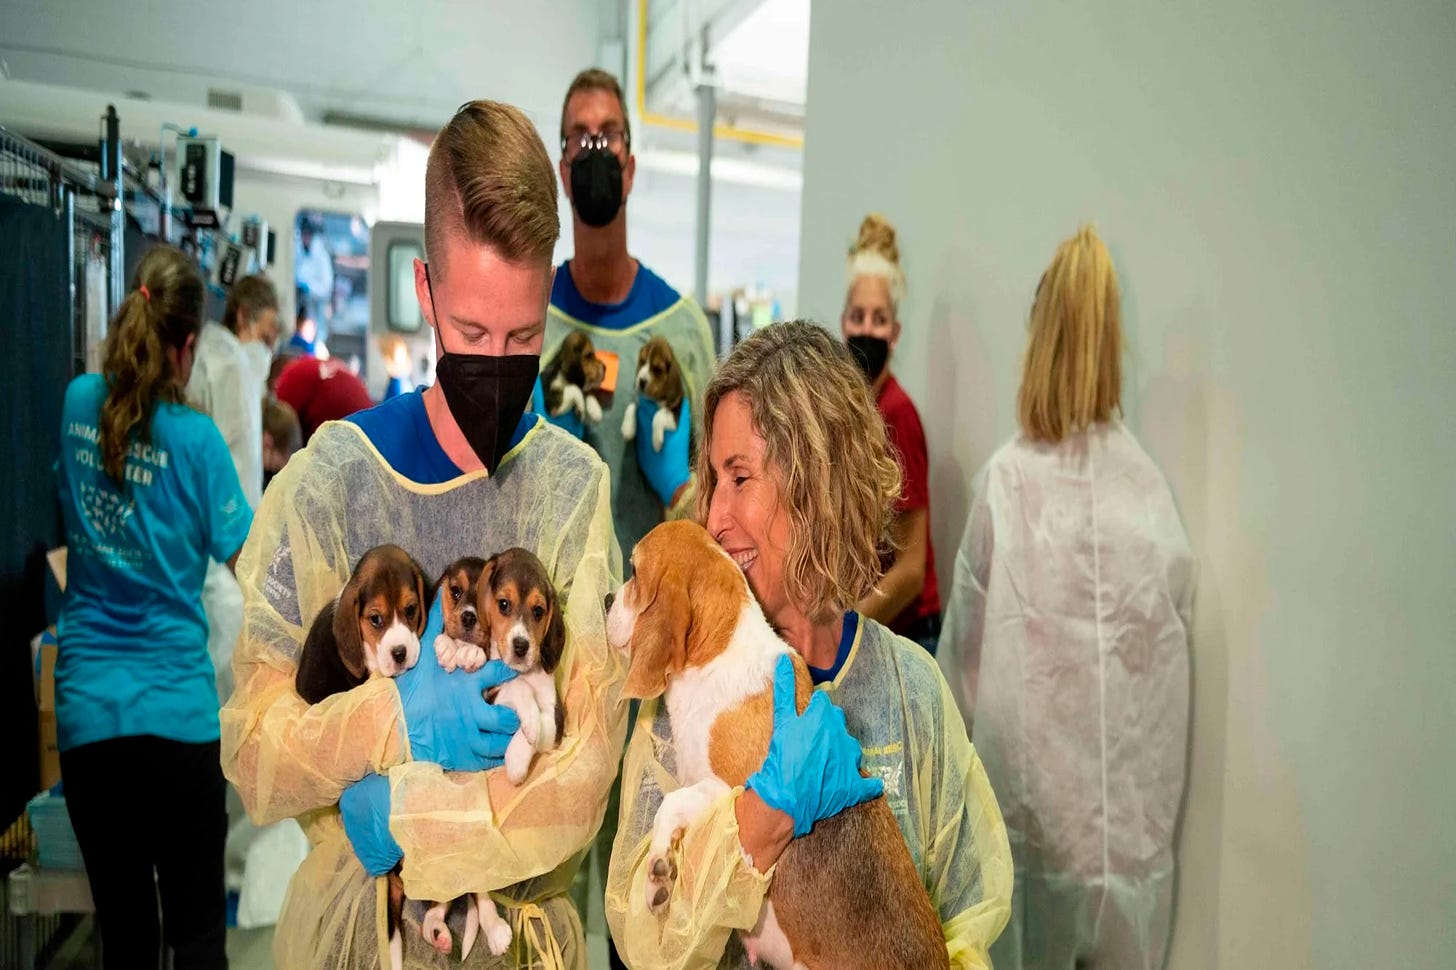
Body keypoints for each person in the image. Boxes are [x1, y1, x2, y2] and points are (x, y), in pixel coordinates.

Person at [220, 99, 625, 968]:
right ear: (424, 291)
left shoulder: (569, 494)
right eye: (472, 332)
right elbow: (254, 744)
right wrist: (386, 720)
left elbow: (586, 775)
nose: (497, 361)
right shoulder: (334, 483)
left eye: (524, 335)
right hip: (352, 935)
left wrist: (405, 816)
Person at [606, 322, 1014, 969]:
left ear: (816, 485)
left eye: (740, 478)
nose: (713, 517)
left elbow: (967, 925)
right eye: (713, 479)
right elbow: (644, 941)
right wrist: (753, 827)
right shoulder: (682, 700)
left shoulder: (912, 691)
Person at [938, 226, 1194, 970]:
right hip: (1127, 868)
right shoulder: (1150, 498)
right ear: (1114, 341)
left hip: (1027, 851)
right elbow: (1162, 693)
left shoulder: (1008, 486)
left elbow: (961, 675)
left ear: (1039, 335)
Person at [55, 244, 252, 968]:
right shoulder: (198, 443)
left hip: (89, 718)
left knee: (128, 943)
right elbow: (253, 562)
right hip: (175, 720)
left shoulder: (78, 405)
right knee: (197, 939)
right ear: (189, 345)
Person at [543, 67, 717, 556]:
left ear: (631, 168)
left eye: (609, 134)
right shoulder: (529, 321)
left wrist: (677, 486)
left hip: (651, 613)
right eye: (579, 136)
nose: (595, 148)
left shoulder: (683, 329)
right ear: (563, 171)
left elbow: (722, 503)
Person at [839, 213, 943, 653]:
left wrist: (846, 630)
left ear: (896, 333)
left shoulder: (897, 416)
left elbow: (912, 568)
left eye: (879, 320)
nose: (867, 330)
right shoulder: (845, 408)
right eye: (858, 316)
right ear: (843, 322)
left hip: (906, 634)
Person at [273, 351, 375, 443]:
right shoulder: (311, 366)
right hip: (370, 434)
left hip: (349, 438)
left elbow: (280, 436)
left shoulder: (289, 380)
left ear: (275, 382)